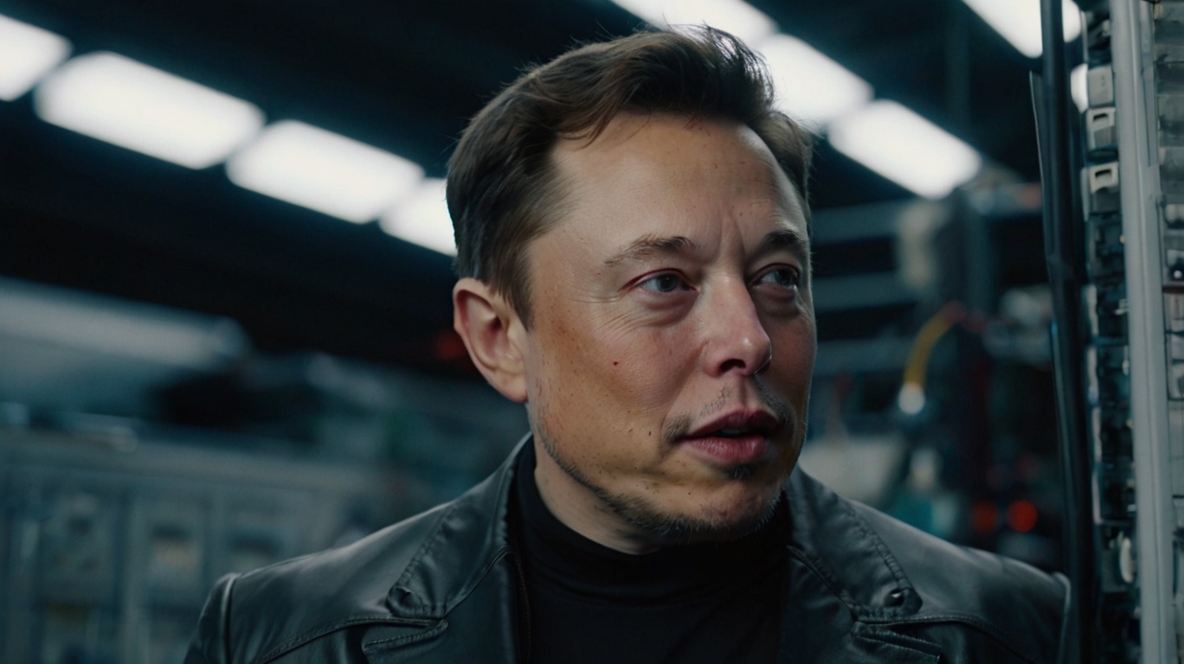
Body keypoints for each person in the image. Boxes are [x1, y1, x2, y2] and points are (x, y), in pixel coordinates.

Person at [185, 28, 1068, 664]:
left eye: (777, 278)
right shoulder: (284, 639)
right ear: (499, 338)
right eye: (664, 284)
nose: (749, 339)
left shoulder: (1008, 633)